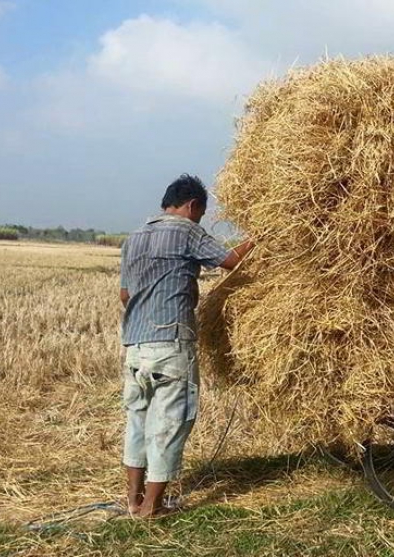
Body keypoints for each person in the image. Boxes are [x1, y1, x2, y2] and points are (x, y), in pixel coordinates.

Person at [119, 174, 253, 518]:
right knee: (169, 422)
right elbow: (230, 261)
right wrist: (259, 240)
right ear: (193, 206)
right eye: (201, 214)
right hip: (170, 343)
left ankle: (133, 501)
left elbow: (125, 295)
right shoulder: (185, 230)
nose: (200, 221)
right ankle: (153, 507)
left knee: (138, 420)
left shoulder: (134, 238)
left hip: (134, 345)